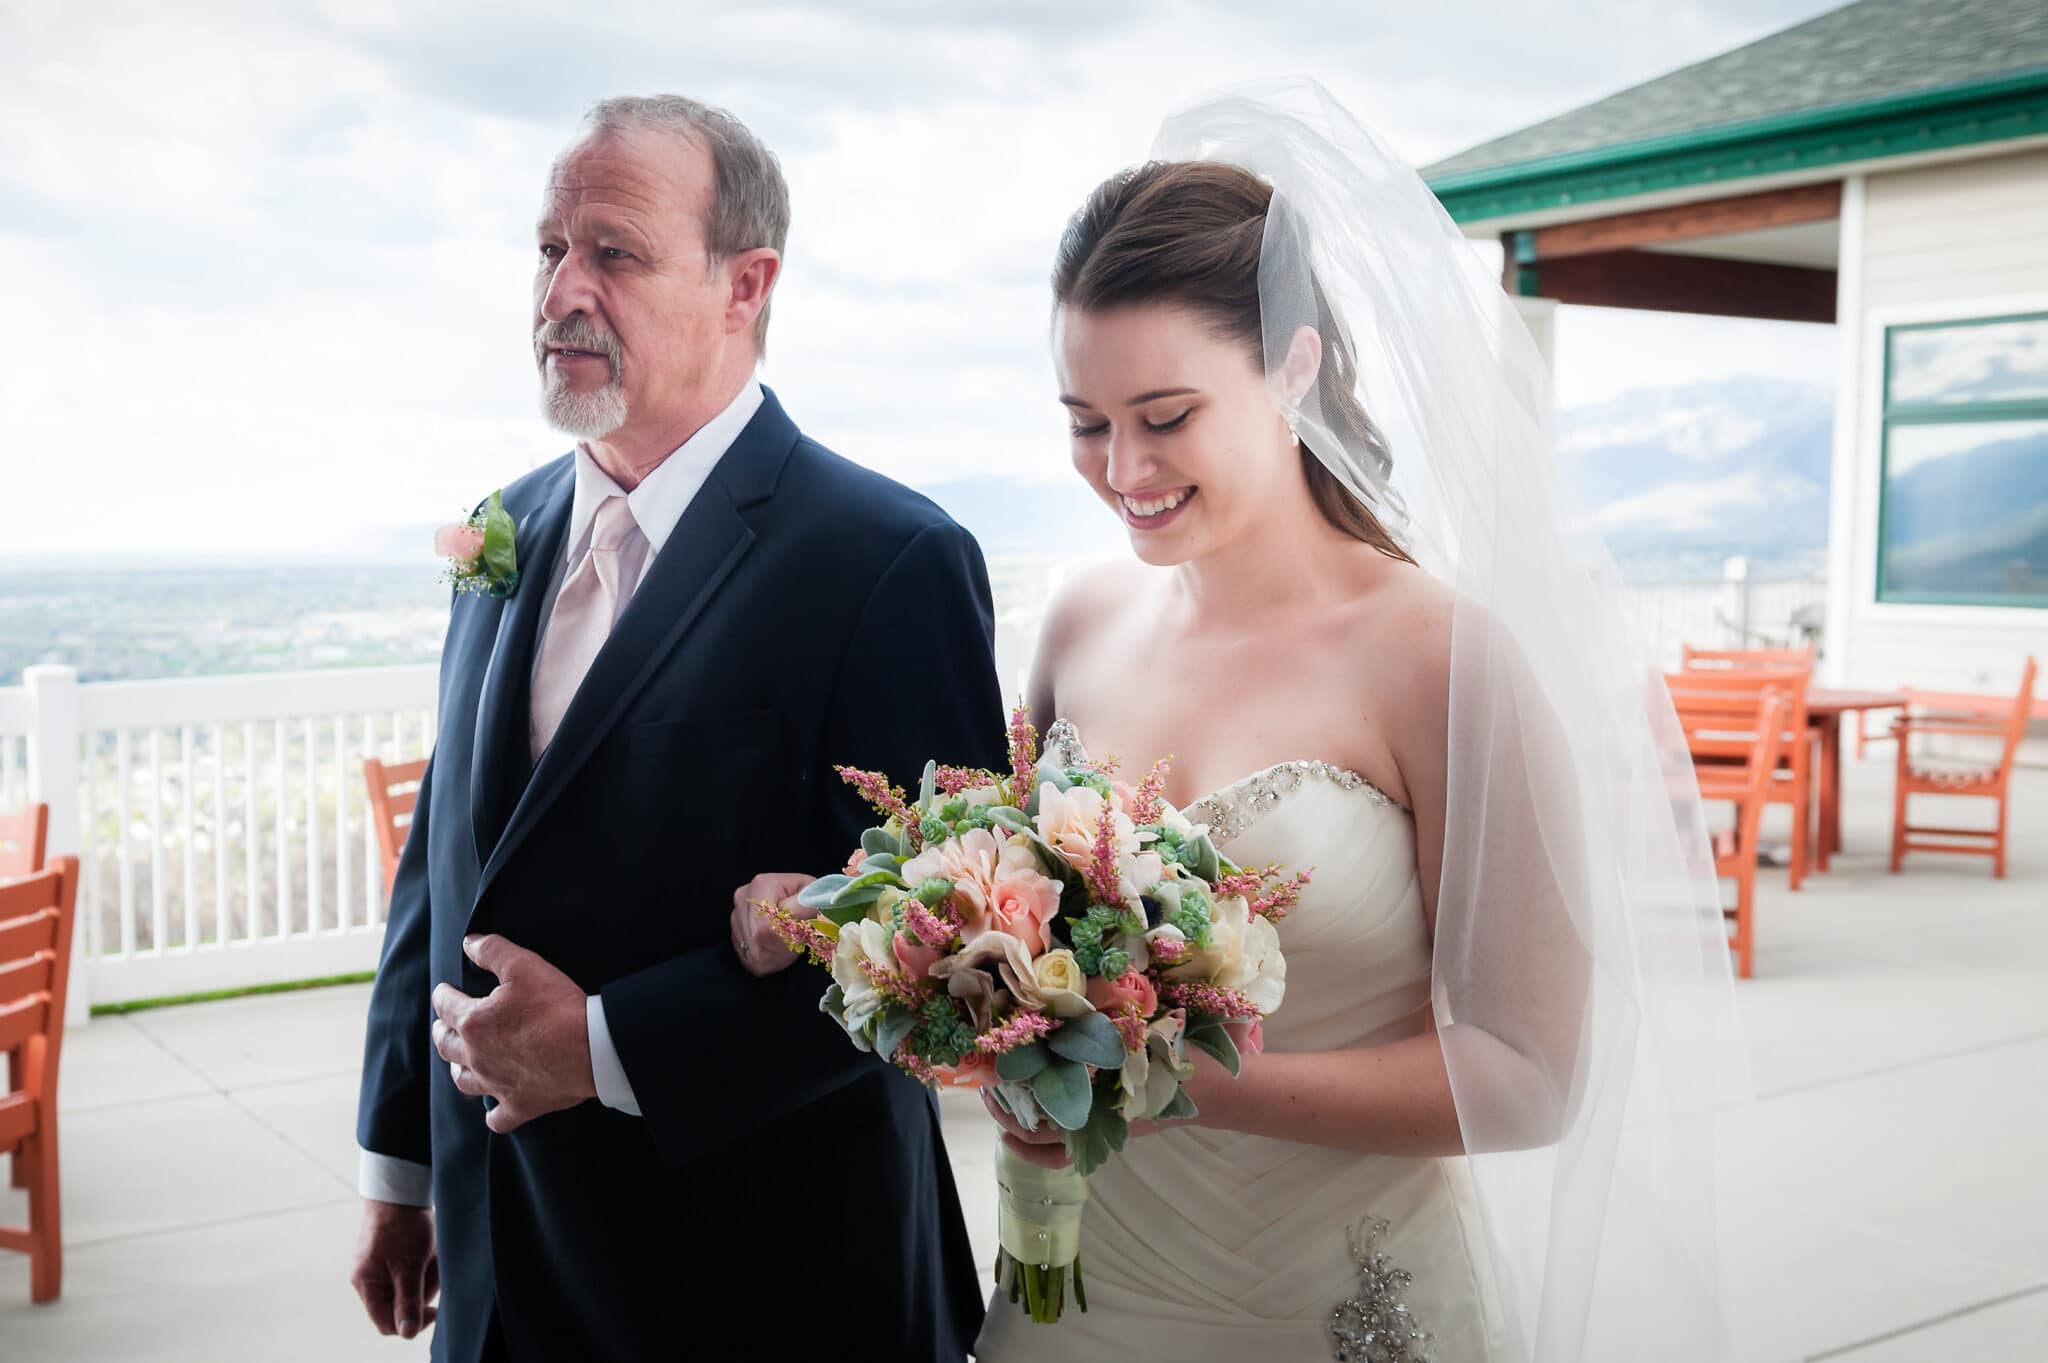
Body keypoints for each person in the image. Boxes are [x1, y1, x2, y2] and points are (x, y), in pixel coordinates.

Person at [744, 80, 1792, 1363]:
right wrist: (890, 937)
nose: (1122, 472)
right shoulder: (1078, 624)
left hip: (1331, 1306)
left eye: (1165, 417)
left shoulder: (1443, 659)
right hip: (1076, 1302)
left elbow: (1528, 1074)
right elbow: (1004, 915)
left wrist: (1164, 1077)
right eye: (1084, 424)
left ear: (1291, 365)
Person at [350, 93, 1002, 1363]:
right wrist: (401, 1165)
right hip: (499, 1263)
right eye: (548, 250)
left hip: (768, 1274)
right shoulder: (504, 527)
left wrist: (599, 1049)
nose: (560, 294)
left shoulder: (889, 558)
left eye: (614, 253)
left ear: (743, 284)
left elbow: (935, 953)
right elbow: (443, 862)